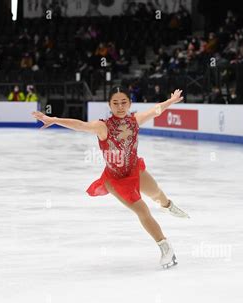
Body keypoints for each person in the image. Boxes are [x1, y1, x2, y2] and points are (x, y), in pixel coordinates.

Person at [32, 86, 190, 269]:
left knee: (157, 193)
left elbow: (156, 110)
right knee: (143, 211)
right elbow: (80, 125)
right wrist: (54, 120)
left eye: (124, 102)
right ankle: (165, 247)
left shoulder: (135, 120)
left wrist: (171, 100)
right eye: (115, 103)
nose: (120, 106)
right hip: (115, 180)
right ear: (109, 105)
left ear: (130, 104)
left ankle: (167, 205)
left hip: (134, 170)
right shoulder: (103, 126)